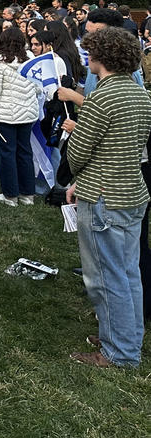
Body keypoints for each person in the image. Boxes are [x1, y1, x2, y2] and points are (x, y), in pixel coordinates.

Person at [65, 27, 151, 367]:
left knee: (105, 275)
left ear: (100, 57)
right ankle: (125, 337)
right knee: (128, 272)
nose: (88, 58)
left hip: (104, 197)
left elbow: (78, 153)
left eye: (91, 53)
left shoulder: (102, 97)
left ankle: (118, 352)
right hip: (131, 192)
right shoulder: (140, 94)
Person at [0, 27, 40, 207]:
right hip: (28, 113)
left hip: (5, 114)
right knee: (24, 151)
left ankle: (10, 195)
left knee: (7, 153)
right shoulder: (31, 58)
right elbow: (38, 86)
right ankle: (28, 194)